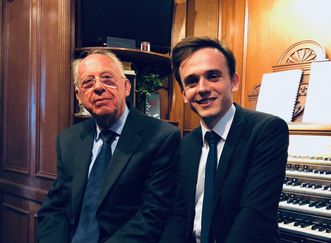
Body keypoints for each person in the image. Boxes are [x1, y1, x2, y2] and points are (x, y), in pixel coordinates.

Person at [36, 50, 181, 243]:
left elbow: (152, 215)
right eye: (88, 83)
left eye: (107, 79)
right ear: (79, 96)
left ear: (126, 87)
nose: (98, 87)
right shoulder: (68, 140)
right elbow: (56, 207)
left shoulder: (161, 137)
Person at [162, 37, 289, 243]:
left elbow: (253, 215)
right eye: (192, 81)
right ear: (184, 94)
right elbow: (178, 214)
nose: (202, 88)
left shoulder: (266, 130)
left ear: (234, 81)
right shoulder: (186, 145)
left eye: (213, 76)